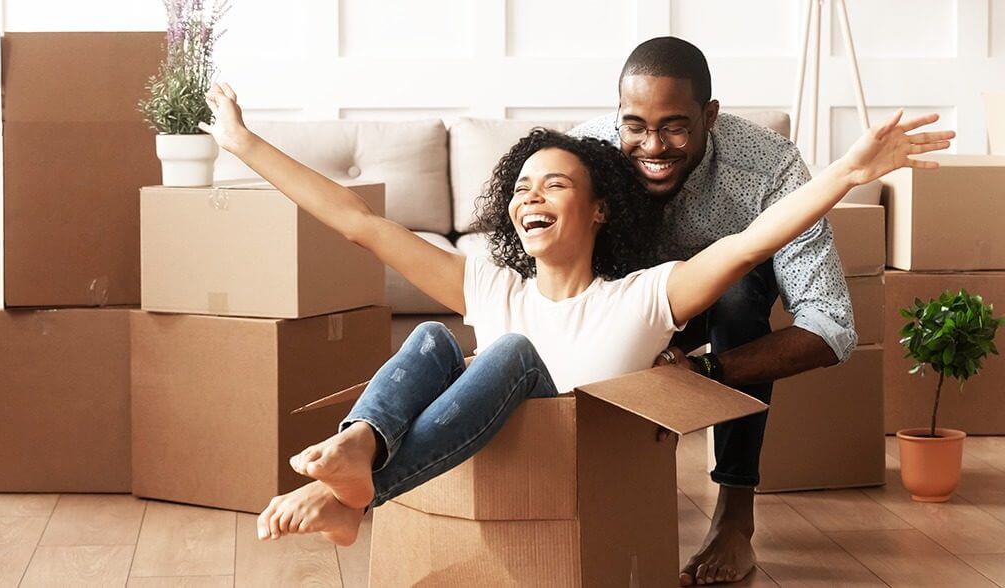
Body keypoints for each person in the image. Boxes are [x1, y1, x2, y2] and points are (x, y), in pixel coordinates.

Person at [198, 81, 951, 583]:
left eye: (554, 183)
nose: (532, 196)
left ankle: (363, 494)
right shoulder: (487, 284)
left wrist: (847, 173)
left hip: (573, 468)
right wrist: (243, 144)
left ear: (599, 211)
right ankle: (361, 452)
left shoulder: (643, 298)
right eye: (522, 187)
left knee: (512, 353)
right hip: (481, 455)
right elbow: (358, 223)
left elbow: (750, 244)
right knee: (433, 341)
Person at [568, 37, 862, 584]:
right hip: (623, 296)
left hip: (721, 305)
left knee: (736, 300)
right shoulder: (588, 154)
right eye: (635, 125)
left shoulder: (771, 167)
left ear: (710, 115)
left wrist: (700, 373)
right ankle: (605, 495)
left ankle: (734, 517)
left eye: (675, 127)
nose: (652, 146)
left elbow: (831, 326)